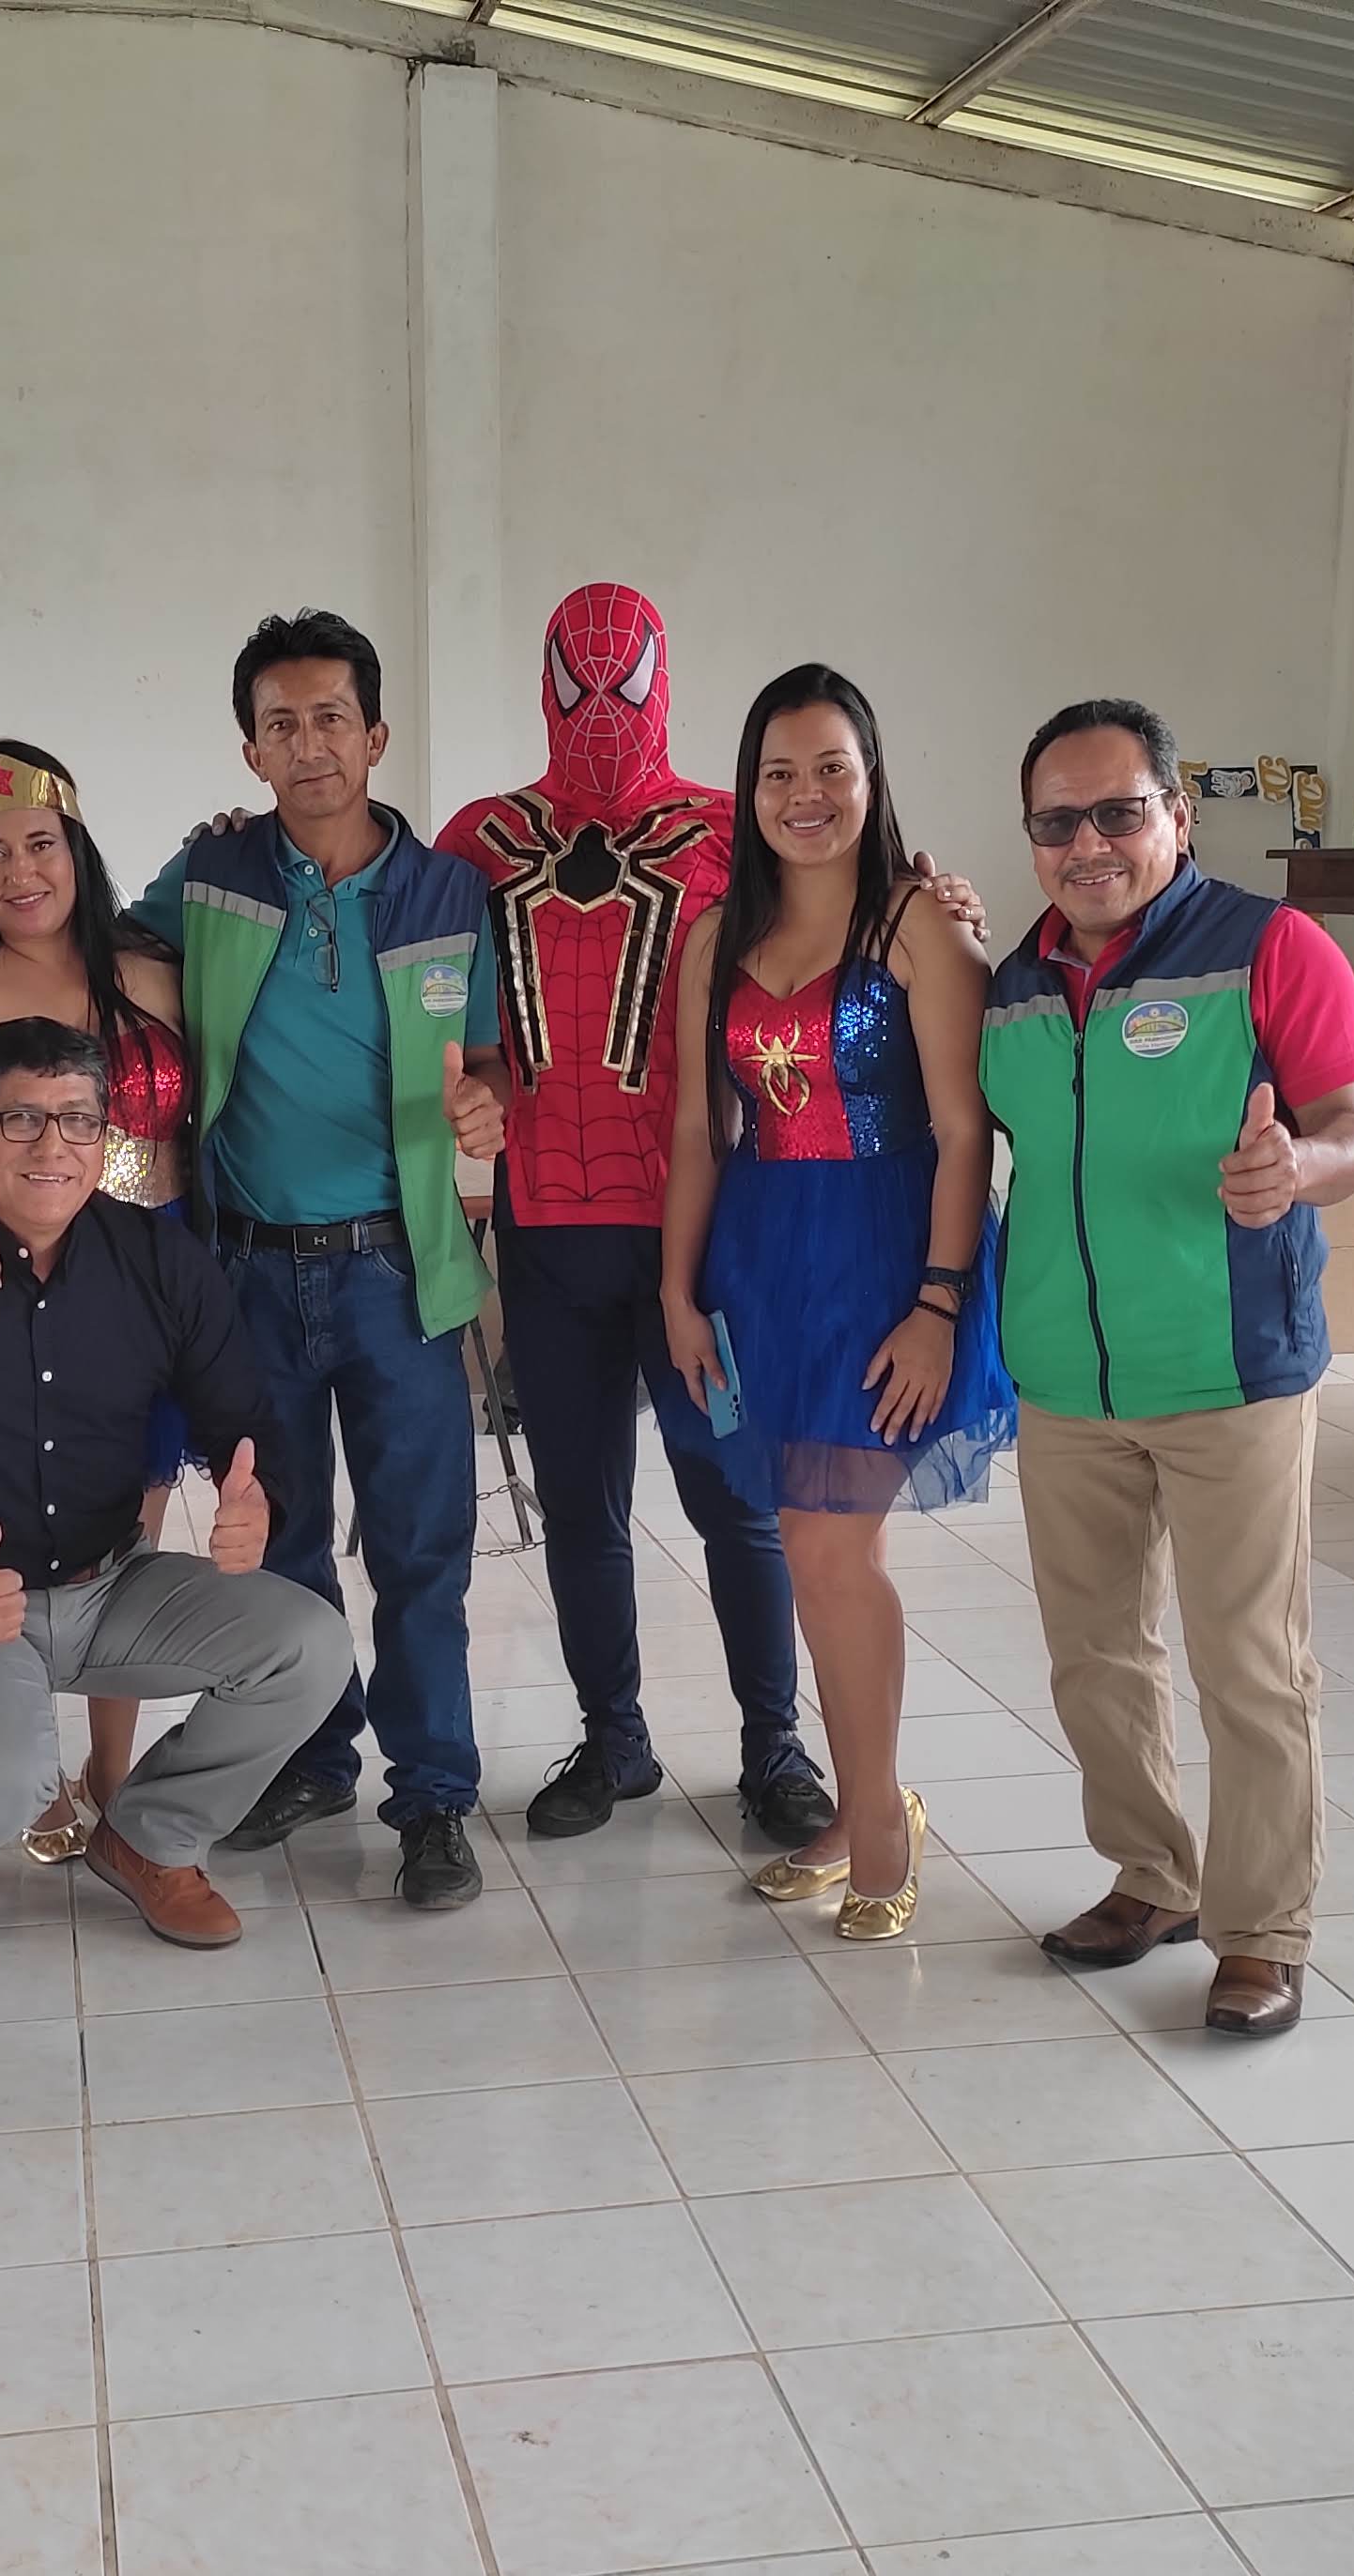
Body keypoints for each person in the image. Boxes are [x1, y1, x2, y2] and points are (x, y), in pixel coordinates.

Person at [983, 698, 1354, 2039]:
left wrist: (1299, 1168)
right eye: (1058, 822)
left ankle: (1261, 1932)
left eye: (1119, 812)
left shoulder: (1271, 948)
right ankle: (1151, 1877)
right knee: (1094, 1656)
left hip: (1230, 1372)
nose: (1088, 844)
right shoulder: (1013, 988)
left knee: (1249, 1665)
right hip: (1064, 1378)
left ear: (1177, 815)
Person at [0, 1018, 346, 1949]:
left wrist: (257, 1498)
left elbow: (242, 1419)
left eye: (79, 1120)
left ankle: (148, 1839)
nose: (53, 1146)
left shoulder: (157, 1260)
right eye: (21, 1119)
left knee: (310, 1648)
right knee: (6, 1787)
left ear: (104, 1137)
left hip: (110, 1582)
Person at [437, 587, 832, 1848]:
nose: (602, 708)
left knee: (734, 1498)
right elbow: (448, 1007)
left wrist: (941, 900)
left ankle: (774, 1745)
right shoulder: (481, 841)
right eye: (579, 683)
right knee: (580, 1505)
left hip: (700, 1234)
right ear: (544, 683)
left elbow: (839, 948)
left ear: (664, 682)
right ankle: (615, 1739)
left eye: (625, 682)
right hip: (547, 1231)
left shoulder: (729, 831)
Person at [127, 611, 510, 1909]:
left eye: (330, 718)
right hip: (245, 1275)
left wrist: (488, 1103)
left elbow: (493, 1055)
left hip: (400, 1272)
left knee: (421, 1552)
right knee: (278, 1544)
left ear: (376, 735)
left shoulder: (449, 895)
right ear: (251, 751)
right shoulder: (210, 878)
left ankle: (435, 1797)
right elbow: (81, 942)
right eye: (280, 725)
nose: (309, 746)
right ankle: (311, 1757)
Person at [662, 665, 1010, 1943]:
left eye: (830, 769)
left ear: (871, 780)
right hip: (761, 1258)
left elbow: (966, 1132)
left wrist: (937, 1305)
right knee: (812, 1547)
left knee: (829, 1550)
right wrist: (676, 1292)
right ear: (747, 790)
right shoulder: (715, 938)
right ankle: (861, 1801)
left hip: (881, 1258)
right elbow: (697, 1131)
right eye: (779, 773)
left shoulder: (918, 926)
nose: (804, 796)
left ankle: (878, 1822)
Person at [0, 742, 193, 1865]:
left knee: (131, 1531)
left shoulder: (154, 970)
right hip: (11, 1276)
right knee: (8, 1518)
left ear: (77, 846)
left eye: (39, 843)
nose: (20, 872)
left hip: (151, 1267)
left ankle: (110, 1770)